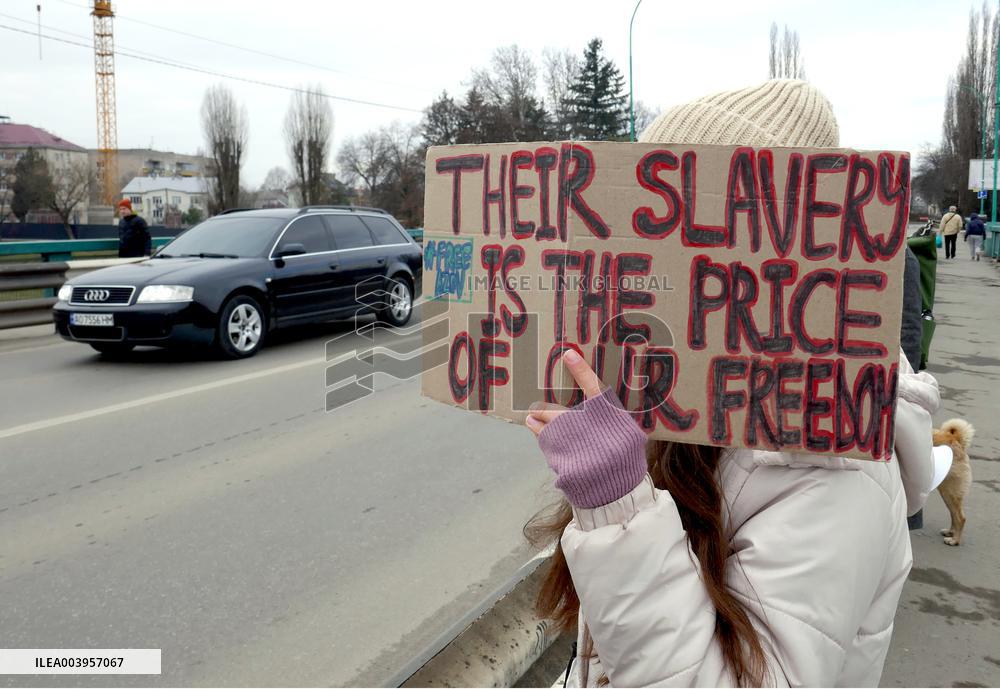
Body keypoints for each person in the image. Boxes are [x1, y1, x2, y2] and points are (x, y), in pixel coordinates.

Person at [523, 79, 940, 688]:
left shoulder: (835, 472)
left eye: (687, 228)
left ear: (777, 259)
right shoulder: (685, 402)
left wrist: (617, 509)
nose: (642, 260)